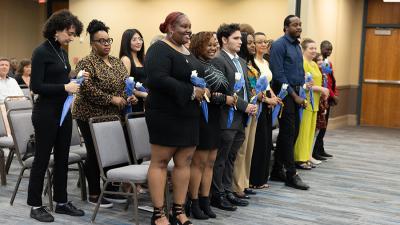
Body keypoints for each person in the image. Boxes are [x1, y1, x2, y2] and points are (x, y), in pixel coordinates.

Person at [145, 12, 205, 225]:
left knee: (184, 162)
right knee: (160, 162)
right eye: (184, 26)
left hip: (188, 114)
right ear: (170, 28)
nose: (189, 30)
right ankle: (159, 214)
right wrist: (191, 90)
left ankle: (178, 211)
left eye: (190, 26)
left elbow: (200, 72)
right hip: (165, 114)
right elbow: (157, 79)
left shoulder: (186, 50)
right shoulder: (158, 49)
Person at [73, 19, 137, 208]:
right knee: (95, 153)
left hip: (113, 117)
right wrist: (111, 99)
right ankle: (94, 193)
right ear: (93, 44)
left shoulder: (117, 62)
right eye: (102, 41)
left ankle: (111, 190)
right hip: (89, 115)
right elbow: (86, 88)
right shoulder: (87, 62)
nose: (106, 44)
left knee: (114, 152)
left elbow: (126, 84)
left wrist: (130, 96)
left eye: (108, 40)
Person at [28, 9, 84, 222]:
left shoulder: (61, 51)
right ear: (56, 30)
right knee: (42, 159)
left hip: (62, 111)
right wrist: (65, 87)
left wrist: (75, 78)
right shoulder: (41, 52)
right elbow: (37, 86)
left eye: (73, 34)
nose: (71, 38)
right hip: (45, 113)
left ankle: (61, 202)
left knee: (62, 159)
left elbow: (61, 78)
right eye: (69, 33)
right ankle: (35, 205)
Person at [210, 23, 257, 211]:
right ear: (224, 40)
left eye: (240, 38)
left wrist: (252, 99)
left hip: (241, 117)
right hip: (226, 117)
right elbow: (224, 92)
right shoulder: (219, 60)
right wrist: (246, 106)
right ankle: (217, 194)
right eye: (236, 38)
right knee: (220, 159)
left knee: (231, 157)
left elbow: (244, 87)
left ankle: (228, 190)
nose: (241, 41)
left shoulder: (242, 61)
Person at [186, 31, 227, 220]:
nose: (213, 48)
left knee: (210, 162)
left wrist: (220, 97)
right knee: (199, 163)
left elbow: (220, 88)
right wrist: (220, 97)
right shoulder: (194, 65)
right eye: (209, 44)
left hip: (215, 116)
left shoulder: (213, 64)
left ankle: (205, 200)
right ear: (198, 45)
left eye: (215, 44)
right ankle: (193, 202)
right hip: (201, 117)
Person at [269, 15, 309, 190]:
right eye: (295, 25)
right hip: (286, 95)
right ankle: (292, 174)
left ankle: (277, 170)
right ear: (285, 27)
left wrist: (302, 92)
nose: (299, 27)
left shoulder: (297, 45)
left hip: (297, 92)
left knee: (293, 133)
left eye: (300, 24)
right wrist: (294, 96)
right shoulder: (279, 45)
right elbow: (278, 74)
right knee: (288, 133)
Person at [249, 32, 279, 189]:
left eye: (265, 41)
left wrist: (274, 97)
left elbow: (268, 84)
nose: (263, 44)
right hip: (258, 102)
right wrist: (267, 99)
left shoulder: (265, 62)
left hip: (268, 100)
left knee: (266, 141)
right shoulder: (251, 63)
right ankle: (254, 180)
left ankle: (262, 178)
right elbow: (254, 88)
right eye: (259, 42)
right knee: (259, 142)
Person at [293, 38, 329, 169]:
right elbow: (305, 84)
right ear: (303, 49)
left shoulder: (313, 64)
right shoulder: (302, 63)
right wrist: (322, 89)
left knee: (310, 132)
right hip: (306, 101)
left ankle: (307, 155)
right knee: (304, 131)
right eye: (311, 48)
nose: (314, 51)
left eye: (315, 48)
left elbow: (317, 82)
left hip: (315, 103)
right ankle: (299, 158)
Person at [232, 32, 258, 199]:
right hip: (241, 109)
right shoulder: (236, 63)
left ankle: (245, 181)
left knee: (248, 149)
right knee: (240, 151)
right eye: (248, 42)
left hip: (253, 107)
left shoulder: (246, 63)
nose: (251, 45)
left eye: (251, 42)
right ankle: (237, 185)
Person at [312, 40, 338, 160]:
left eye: (331, 49)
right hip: (323, 97)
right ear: (321, 48)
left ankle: (320, 148)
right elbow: (324, 84)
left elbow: (332, 81)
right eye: (327, 49)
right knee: (320, 125)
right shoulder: (318, 63)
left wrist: (334, 94)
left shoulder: (329, 63)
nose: (329, 52)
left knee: (324, 125)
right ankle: (315, 150)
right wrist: (332, 95)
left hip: (328, 98)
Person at [119, 29, 147, 112]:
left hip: (145, 100)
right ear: (127, 42)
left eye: (140, 39)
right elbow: (125, 85)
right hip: (134, 101)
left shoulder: (142, 58)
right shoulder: (126, 59)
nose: (138, 42)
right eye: (134, 40)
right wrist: (143, 94)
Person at [0, 57, 24, 136]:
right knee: (4, 108)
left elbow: (21, 96)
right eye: (2, 65)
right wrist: (11, 99)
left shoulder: (13, 80)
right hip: (3, 107)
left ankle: (25, 135)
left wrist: (12, 100)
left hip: (15, 105)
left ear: (9, 68)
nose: (4, 67)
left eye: (6, 65)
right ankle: (10, 135)